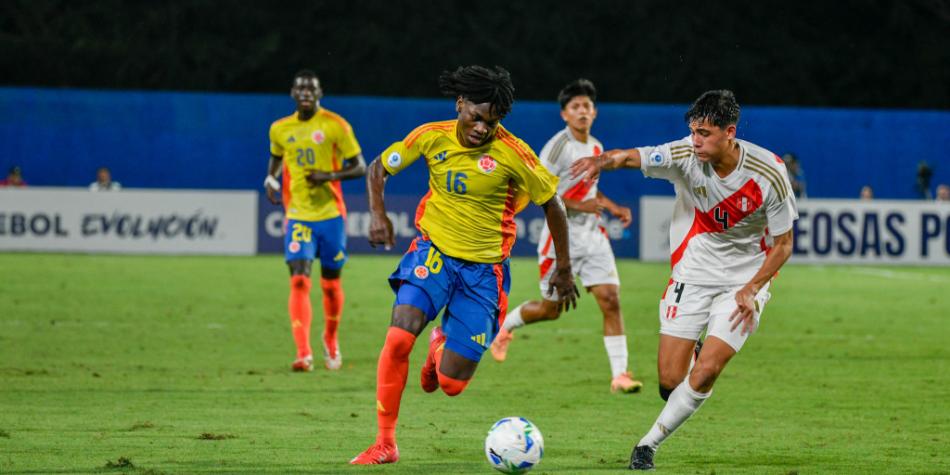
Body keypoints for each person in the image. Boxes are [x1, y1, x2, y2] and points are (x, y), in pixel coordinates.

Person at [350, 65, 579, 465]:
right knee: (399, 336)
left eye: (491, 123)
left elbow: (552, 203)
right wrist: (377, 215)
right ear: (460, 104)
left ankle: (439, 345)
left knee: (452, 384)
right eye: (476, 117)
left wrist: (564, 267)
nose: (482, 129)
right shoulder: (430, 136)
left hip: (484, 273)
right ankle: (385, 443)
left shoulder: (513, 153)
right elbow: (378, 168)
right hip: (433, 253)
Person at [571, 90, 797, 470]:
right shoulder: (685, 155)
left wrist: (753, 287)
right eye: (692, 131)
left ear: (730, 132)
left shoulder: (769, 173)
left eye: (705, 133)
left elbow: (784, 244)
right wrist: (600, 162)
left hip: (745, 280)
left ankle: (647, 445)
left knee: (707, 370)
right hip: (694, 270)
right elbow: (631, 156)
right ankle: (692, 360)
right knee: (670, 382)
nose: (696, 141)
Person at [489, 79, 643, 394]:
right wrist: (582, 205)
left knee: (610, 300)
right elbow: (541, 194)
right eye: (575, 107)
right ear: (564, 114)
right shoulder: (557, 147)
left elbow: (590, 192)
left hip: (593, 236)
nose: (582, 111)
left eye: (587, 106)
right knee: (551, 309)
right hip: (560, 239)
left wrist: (611, 207)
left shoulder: (597, 148)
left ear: (595, 112)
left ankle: (620, 375)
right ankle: (504, 327)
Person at [263, 69, 366, 372]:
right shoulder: (280, 129)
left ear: (319, 94)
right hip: (298, 215)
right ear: (293, 94)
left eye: (311, 89)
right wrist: (271, 178)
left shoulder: (336, 126)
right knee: (299, 277)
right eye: (300, 89)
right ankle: (303, 352)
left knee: (331, 284)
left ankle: (330, 338)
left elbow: (359, 166)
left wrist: (328, 176)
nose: (306, 93)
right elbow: (277, 156)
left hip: (331, 216)